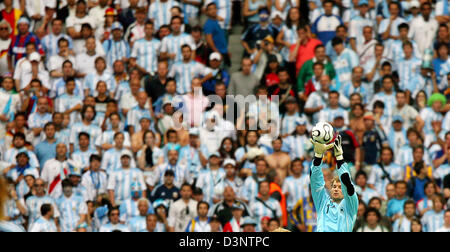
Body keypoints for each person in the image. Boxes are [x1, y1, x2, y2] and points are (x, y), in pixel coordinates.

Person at [309, 133, 358, 232]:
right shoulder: (322, 202)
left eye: (340, 187)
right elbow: (315, 181)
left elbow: (347, 183)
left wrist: (339, 157)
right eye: (334, 186)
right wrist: (318, 156)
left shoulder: (350, 204)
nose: (336, 189)